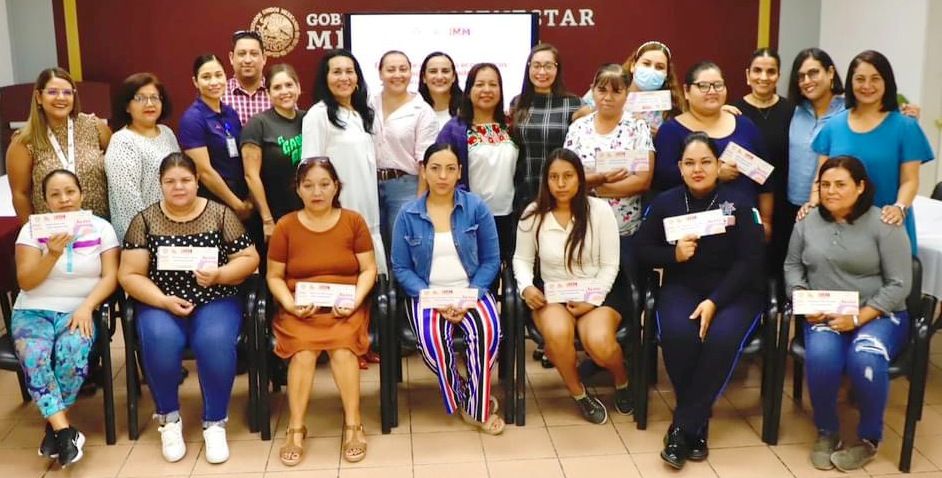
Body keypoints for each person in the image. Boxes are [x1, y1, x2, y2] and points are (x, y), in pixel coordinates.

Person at [634, 133, 765, 469]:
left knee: (720, 339)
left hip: (735, 292)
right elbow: (642, 251)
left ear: (719, 165)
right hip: (684, 285)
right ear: (679, 168)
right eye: (689, 163)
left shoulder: (740, 203)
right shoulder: (665, 203)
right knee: (680, 336)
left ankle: (682, 428)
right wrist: (674, 255)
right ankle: (698, 423)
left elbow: (750, 262)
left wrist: (715, 301)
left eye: (706, 161)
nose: (698, 169)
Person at [118, 153, 259, 464]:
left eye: (185, 180)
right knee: (160, 342)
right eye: (170, 181)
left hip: (216, 296)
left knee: (213, 343)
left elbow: (250, 259)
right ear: (161, 185)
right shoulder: (144, 220)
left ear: (197, 181)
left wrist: (221, 274)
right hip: (161, 300)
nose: (178, 187)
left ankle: (215, 423)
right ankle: (169, 419)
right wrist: (162, 300)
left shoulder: (221, 215)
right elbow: (129, 274)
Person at [784, 156, 912, 471]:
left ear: (860, 187)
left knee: (864, 357)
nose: (831, 191)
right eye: (824, 184)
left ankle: (869, 438)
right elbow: (792, 266)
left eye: (840, 184)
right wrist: (804, 301)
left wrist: (858, 318)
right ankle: (827, 431)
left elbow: (900, 283)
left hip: (881, 314)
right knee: (823, 356)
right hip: (825, 311)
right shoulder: (806, 220)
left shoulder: (885, 222)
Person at [267, 157, 377, 465]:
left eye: (324, 184)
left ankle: (354, 424)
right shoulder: (286, 225)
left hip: (346, 306)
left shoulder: (353, 221)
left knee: (343, 350)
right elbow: (274, 276)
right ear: (298, 189)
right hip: (301, 307)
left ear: (336, 187)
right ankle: (295, 428)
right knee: (303, 353)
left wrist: (354, 300)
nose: (317, 192)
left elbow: (368, 269)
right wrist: (290, 305)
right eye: (309, 185)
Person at [391, 143, 504, 434]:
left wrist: (472, 297)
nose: (443, 176)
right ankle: (470, 395)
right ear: (424, 172)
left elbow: (492, 260)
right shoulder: (408, 213)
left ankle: (475, 410)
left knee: (486, 332)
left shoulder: (476, 207)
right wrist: (432, 299)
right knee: (432, 347)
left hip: (471, 290)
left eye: (450, 169)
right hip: (427, 294)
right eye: (435, 168)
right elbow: (401, 268)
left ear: (460, 173)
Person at [513, 148, 629, 425]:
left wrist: (593, 299)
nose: (561, 184)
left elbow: (610, 264)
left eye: (568, 176)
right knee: (557, 334)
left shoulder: (599, 211)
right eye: (554, 177)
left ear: (580, 179)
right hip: (553, 292)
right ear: (546, 181)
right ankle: (579, 393)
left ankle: (623, 381)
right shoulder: (533, 214)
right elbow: (521, 259)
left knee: (600, 343)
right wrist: (526, 287)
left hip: (597, 289)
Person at [12, 169, 119, 467]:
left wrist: (88, 306)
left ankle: (55, 426)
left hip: (79, 309)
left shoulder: (101, 228)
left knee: (71, 354)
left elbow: (111, 276)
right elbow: (27, 282)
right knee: (35, 357)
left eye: (70, 191)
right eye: (55, 194)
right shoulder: (32, 230)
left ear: (81, 193)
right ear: (44, 200)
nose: (64, 199)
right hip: (34, 310)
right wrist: (51, 255)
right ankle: (64, 430)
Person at [803, 50, 934, 256]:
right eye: (860, 79)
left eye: (875, 79)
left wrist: (899, 207)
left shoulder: (905, 127)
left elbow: (910, 180)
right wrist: (812, 204)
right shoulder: (833, 126)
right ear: (850, 82)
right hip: (841, 229)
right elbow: (820, 178)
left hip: (889, 225)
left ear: (887, 82)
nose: (867, 86)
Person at [653, 61, 772, 239]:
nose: (712, 91)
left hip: (743, 224)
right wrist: (714, 174)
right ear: (686, 91)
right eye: (703, 86)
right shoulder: (671, 131)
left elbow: (765, 180)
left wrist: (766, 220)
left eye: (718, 85)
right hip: (692, 229)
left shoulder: (745, 125)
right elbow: (662, 180)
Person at [300, 49, 387, 273]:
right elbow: (310, 168)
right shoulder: (318, 115)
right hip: (338, 209)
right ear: (325, 78)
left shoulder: (364, 114)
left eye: (350, 71)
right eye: (336, 72)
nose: (344, 77)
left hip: (367, 206)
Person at [564, 63, 653, 277]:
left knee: (625, 295)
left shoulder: (638, 127)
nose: (608, 97)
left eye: (616, 91)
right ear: (592, 90)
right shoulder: (578, 128)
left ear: (626, 95)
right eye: (602, 90)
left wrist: (592, 185)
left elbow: (642, 181)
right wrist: (600, 180)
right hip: (583, 227)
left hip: (625, 231)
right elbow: (568, 178)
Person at [6, 67, 112, 224]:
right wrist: (34, 235)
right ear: (39, 97)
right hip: (52, 232)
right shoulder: (24, 141)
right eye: (53, 92)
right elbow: (20, 194)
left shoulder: (94, 127)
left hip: (101, 230)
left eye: (67, 92)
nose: (61, 98)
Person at [438, 63, 520, 261]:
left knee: (504, 272)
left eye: (493, 85)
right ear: (469, 91)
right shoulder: (454, 129)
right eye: (479, 84)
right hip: (469, 217)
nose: (486, 90)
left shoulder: (511, 127)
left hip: (508, 216)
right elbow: (439, 171)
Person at [732, 48, 795, 273]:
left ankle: (777, 300)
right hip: (744, 194)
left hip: (784, 196)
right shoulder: (733, 111)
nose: (764, 77)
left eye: (771, 71)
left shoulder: (791, 110)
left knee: (781, 253)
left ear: (778, 75)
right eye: (757, 70)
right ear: (747, 75)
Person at [369, 50, 439, 248]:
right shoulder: (367, 104)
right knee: (373, 246)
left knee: (402, 247)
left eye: (403, 69)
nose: (397, 74)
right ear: (380, 73)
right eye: (390, 69)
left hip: (405, 186)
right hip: (369, 183)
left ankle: (398, 281)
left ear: (411, 73)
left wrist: (420, 199)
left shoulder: (423, 111)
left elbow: (425, 161)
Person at [105, 72, 181, 241]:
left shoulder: (167, 133)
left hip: (175, 227)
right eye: (140, 98)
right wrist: (153, 238)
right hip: (141, 236)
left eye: (155, 97)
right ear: (127, 106)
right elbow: (127, 202)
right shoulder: (122, 141)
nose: (149, 103)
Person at [178, 54, 254, 221]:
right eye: (206, 77)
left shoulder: (231, 113)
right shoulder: (193, 118)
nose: (214, 82)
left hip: (242, 196)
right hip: (214, 201)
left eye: (218, 75)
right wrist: (237, 205)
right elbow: (204, 171)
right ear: (195, 82)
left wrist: (249, 198)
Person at [510, 43, 583, 209]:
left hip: (562, 192)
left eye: (548, 66)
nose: (542, 72)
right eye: (536, 66)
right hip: (525, 191)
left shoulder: (575, 104)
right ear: (528, 68)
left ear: (558, 69)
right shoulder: (517, 103)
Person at [242, 63, 305, 241]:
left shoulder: (308, 119)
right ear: (268, 93)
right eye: (277, 87)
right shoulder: (258, 124)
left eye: (289, 85)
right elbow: (250, 175)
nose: (284, 91)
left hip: (308, 213)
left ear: (298, 88)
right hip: (275, 217)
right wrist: (267, 220)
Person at [579, 40, 685, 137]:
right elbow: (577, 116)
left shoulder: (669, 106)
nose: (652, 70)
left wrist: (660, 136)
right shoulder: (608, 87)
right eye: (646, 64)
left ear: (666, 74)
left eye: (659, 67)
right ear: (633, 65)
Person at [223, 30, 270, 125]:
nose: (248, 60)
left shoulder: (278, 93)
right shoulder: (219, 95)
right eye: (241, 54)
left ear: (264, 58)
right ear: (231, 58)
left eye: (254, 54)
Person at [418, 51, 462, 130]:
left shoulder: (471, 109)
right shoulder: (413, 111)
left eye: (445, 71)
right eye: (433, 71)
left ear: (453, 77)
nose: (439, 77)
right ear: (424, 77)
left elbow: (484, 141)